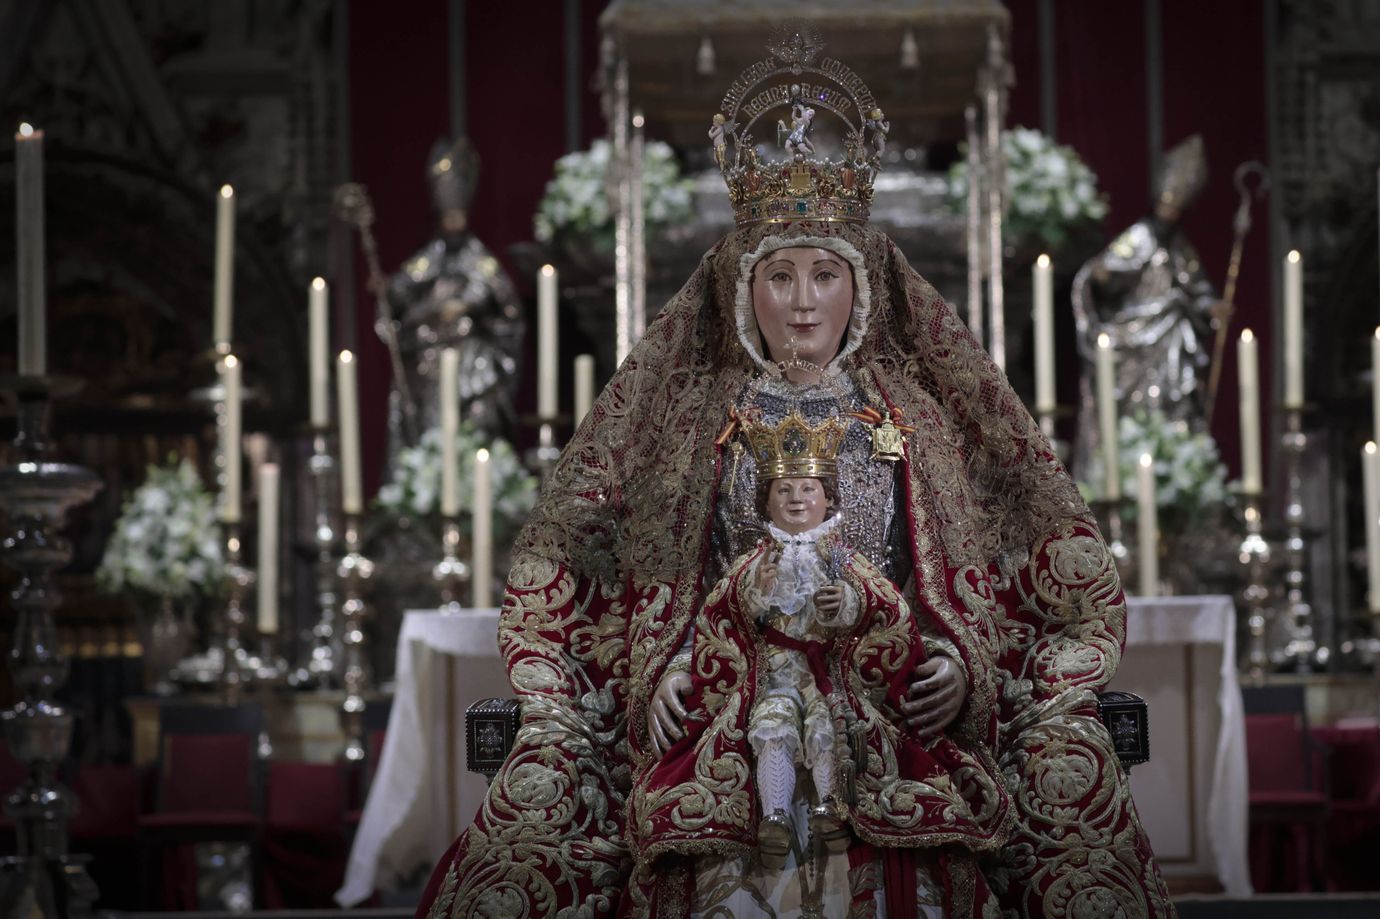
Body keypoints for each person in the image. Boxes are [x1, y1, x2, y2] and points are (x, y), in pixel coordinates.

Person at [418, 40, 1172, 919]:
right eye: (780, 276)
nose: (804, 301)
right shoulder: (698, 422)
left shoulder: (913, 419)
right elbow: (661, 586)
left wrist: (959, 666)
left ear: (862, 288)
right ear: (746, 292)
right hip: (732, 702)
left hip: (887, 702)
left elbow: (970, 579)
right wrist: (661, 672)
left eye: (825, 275)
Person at [641, 411, 1007, 876]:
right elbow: (720, 609)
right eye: (784, 490)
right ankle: (772, 817)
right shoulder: (758, 559)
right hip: (769, 674)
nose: (796, 500)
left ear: (827, 498)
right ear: (766, 500)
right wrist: (699, 647)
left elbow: (888, 605)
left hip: (836, 677)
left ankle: (830, 809)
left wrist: (851, 607)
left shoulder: (841, 559)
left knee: (824, 727)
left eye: (807, 489)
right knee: (772, 726)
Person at [1070, 134, 1226, 481]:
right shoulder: (1139, 236)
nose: (1169, 212)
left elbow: (1195, 284)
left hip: (1169, 342)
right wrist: (1103, 275)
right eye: (1166, 204)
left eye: (1176, 207)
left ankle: (1171, 470)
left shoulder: (1180, 247)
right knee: (1131, 408)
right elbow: (1108, 271)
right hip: (1134, 340)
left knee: (1172, 402)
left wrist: (1211, 306)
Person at [382, 136, 524, 462]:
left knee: (476, 427)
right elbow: (400, 291)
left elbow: (508, 308)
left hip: (470, 363)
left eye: (458, 213)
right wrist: (389, 291)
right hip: (428, 365)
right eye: (448, 214)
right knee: (429, 437)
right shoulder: (426, 259)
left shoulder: (482, 262)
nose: (453, 221)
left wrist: (467, 306)